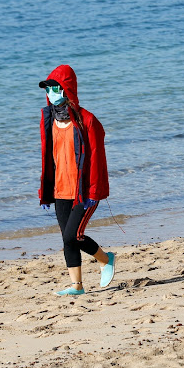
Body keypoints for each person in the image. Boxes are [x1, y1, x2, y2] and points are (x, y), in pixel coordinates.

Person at [38, 64, 115, 296]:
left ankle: (105, 259)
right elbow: (47, 158)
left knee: (74, 235)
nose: (51, 93)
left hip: (83, 191)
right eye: (48, 89)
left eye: (56, 88)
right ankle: (77, 286)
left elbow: (98, 160)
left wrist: (93, 192)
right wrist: (45, 192)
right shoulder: (48, 120)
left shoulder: (88, 121)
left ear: (67, 89)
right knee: (66, 239)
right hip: (60, 189)